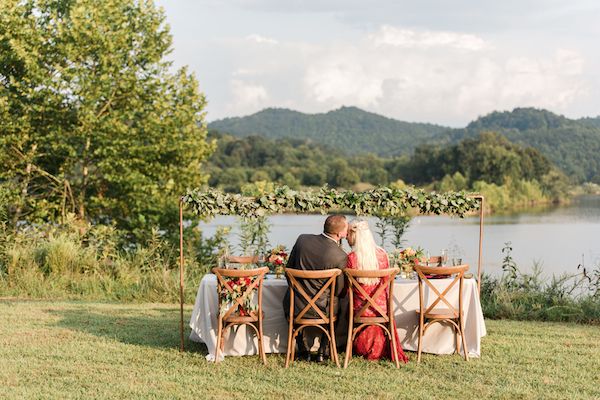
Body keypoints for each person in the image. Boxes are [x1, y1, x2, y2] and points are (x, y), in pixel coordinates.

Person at [283, 214, 348, 362]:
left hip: (296, 305)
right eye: (347, 229)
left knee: (289, 300)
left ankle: (303, 349)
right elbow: (338, 290)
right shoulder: (340, 256)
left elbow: (289, 270)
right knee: (337, 302)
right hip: (324, 308)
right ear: (340, 234)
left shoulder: (302, 239)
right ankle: (322, 351)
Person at [346, 219, 408, 363]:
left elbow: (346, 289)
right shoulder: (382, 255)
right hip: (381, 309)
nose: (346, 237)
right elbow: (385, 283)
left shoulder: (351, 258)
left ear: (354, 235)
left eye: (348, 233)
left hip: (359, 310)